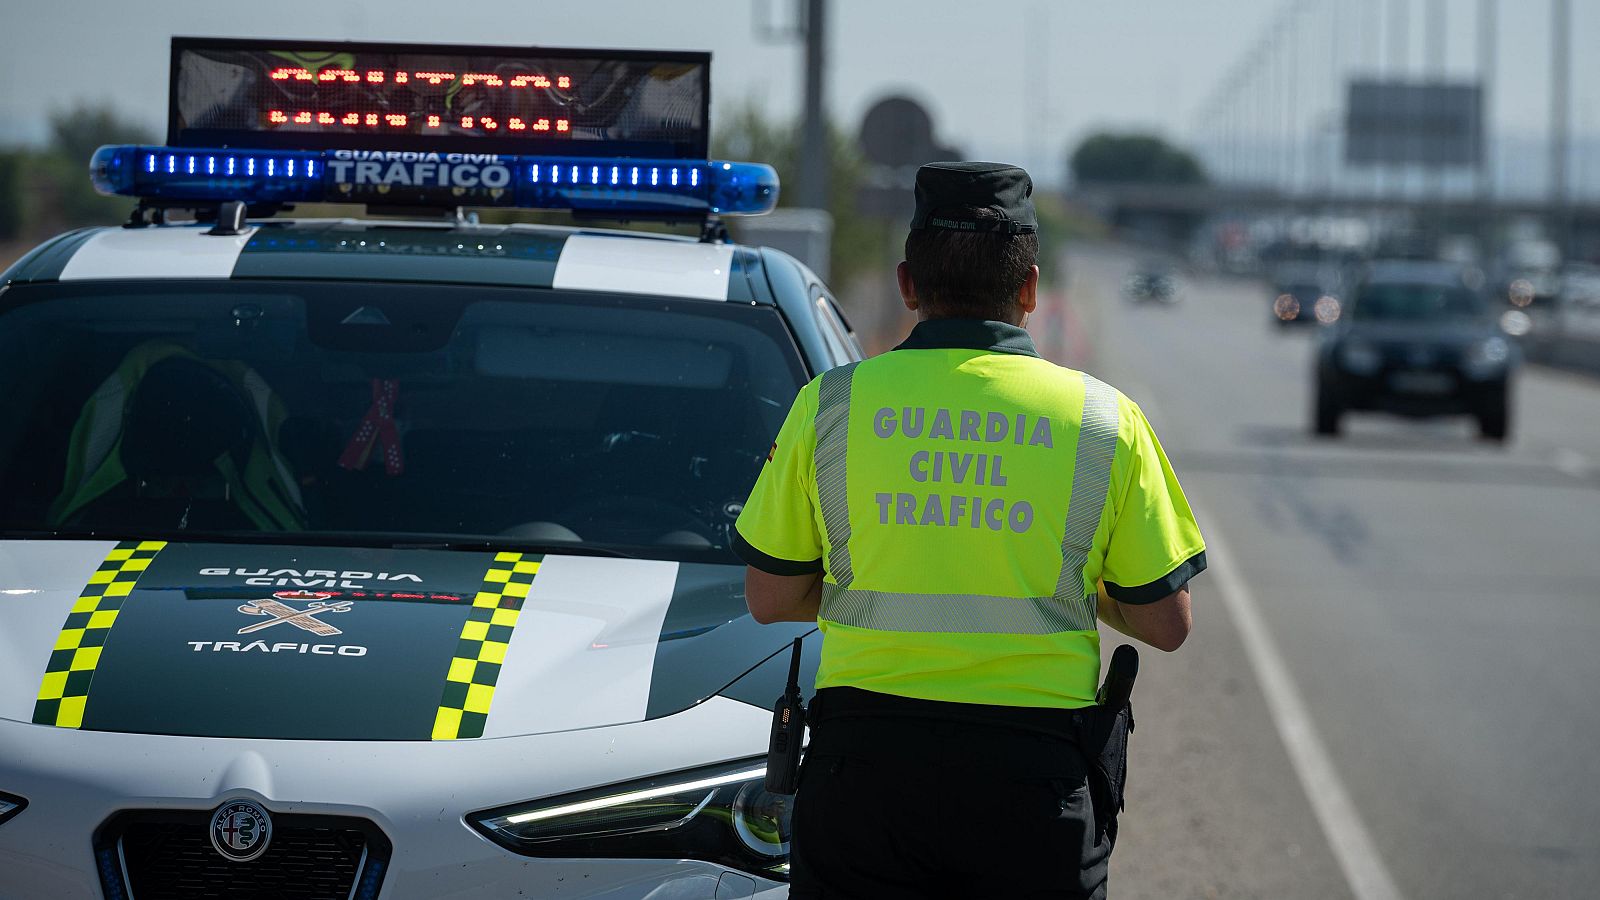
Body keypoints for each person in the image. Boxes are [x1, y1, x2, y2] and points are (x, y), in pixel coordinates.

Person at [732, 161, 1205, 899]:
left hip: (865, 781)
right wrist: (1075, 585)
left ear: (907, 286)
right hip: (1034, 790)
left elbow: (769, 596)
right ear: (1029, 288)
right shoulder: (1105, 420)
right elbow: (1166, 623)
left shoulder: (829, 406)